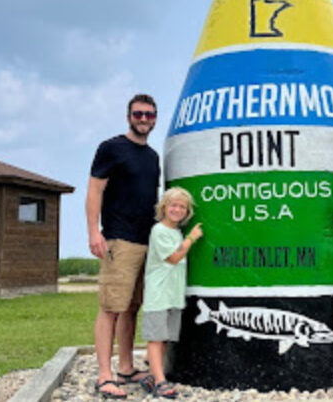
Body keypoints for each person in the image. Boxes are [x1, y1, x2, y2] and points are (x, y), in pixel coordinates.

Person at [86, 94, 161, 399]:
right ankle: (104, 375)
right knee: (111, 308)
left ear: (155, 118)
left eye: (149, 115)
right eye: (139, 114)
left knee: (132, 307)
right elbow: (95, 190)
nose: (144, 119)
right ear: (129, 116)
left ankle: (126, 368)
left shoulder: (153, 157)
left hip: (147, 240)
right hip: (119, 238)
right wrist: (94, 231)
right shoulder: (111, 148)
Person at [142, 187, 203, 399]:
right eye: (173, 205)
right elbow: (173, 258)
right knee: (156, 338)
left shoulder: (176, 232)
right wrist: (192, 238)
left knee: (165, 338)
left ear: (187, 212)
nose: (177, 210)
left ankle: (152, 375)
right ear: (164, 207)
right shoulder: (158, 230)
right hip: (158, 294)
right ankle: (160, 381)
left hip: (173, 295)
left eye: (182, 207)